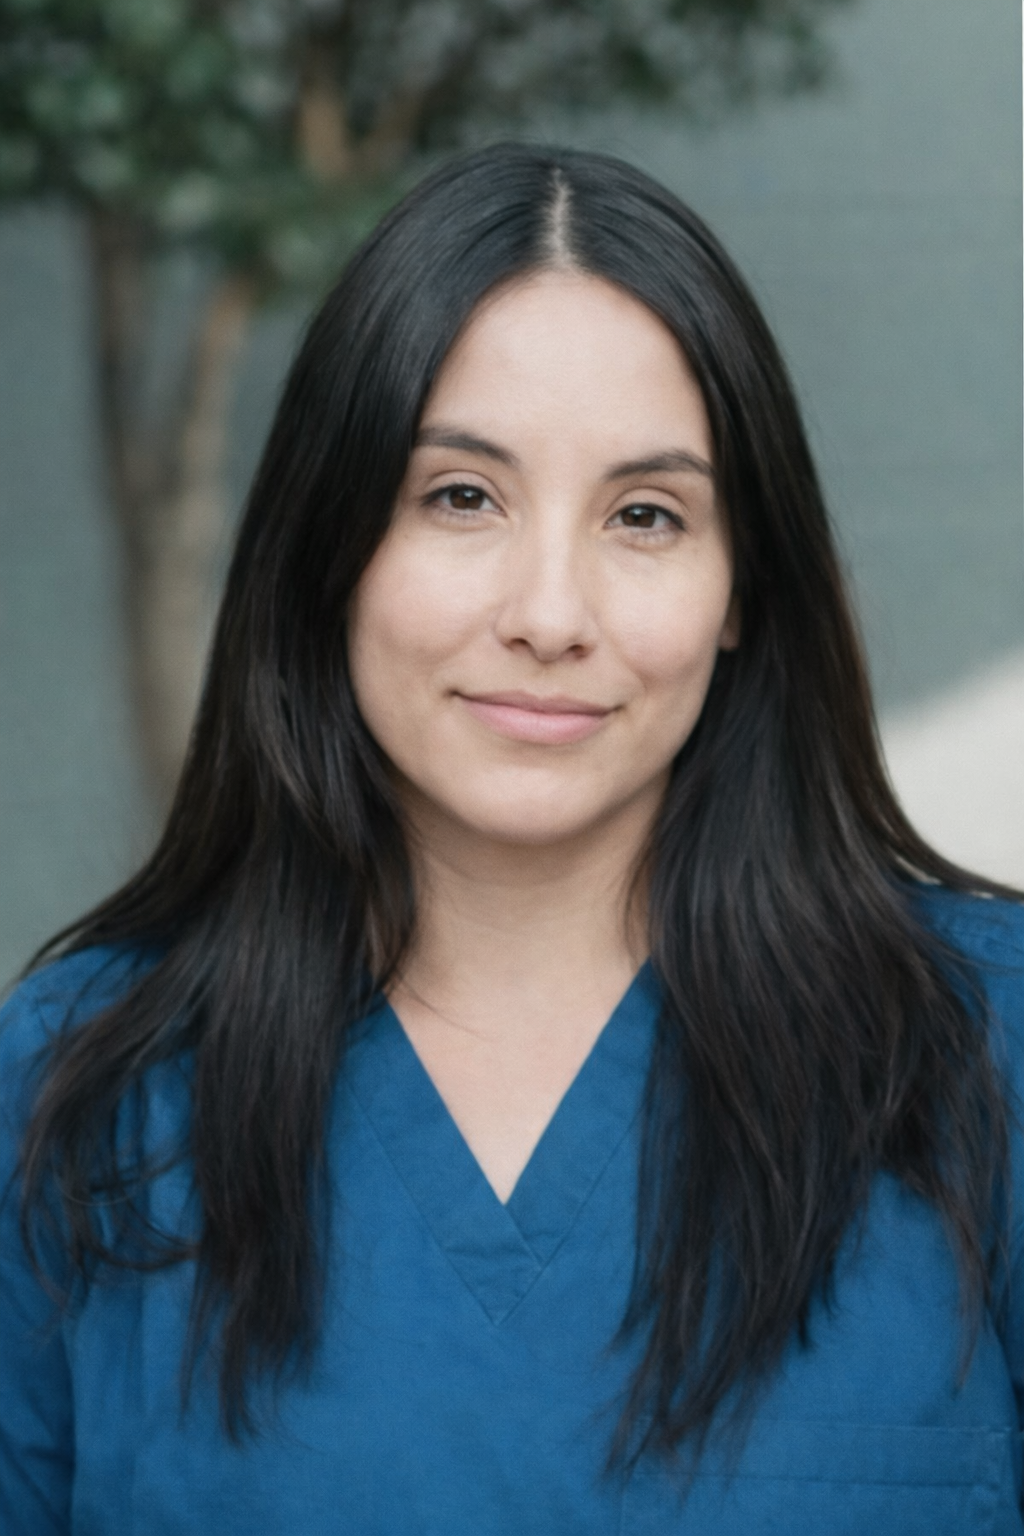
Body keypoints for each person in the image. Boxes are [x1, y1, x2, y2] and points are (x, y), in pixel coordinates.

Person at [1, 143, 1021, 1535]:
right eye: (461, 497)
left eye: (646, 516)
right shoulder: (82, 1086)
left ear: (741, 589)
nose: (550, 614)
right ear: (330, 548)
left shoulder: (986, 1051)